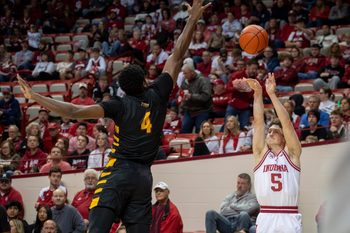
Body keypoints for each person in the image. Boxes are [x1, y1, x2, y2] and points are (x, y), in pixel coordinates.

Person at [17, 1, 210, 232]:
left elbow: (73, 111)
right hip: (143, 178)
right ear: (144, 81)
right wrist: (192, 19)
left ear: (124, 89)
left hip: (118, 171)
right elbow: (178, 54)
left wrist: (37, 98)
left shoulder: (118, 104)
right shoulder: (159, 92)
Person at [246, 73, 302, 232]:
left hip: (289, 215)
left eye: (274, 132)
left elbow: (287, 123)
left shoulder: (292, 154)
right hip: (266, 215)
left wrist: (271, 94)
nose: (269, 133)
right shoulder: (260, 154)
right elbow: (258, 123)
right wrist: (257, 94)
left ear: (284, 138)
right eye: (269, 131)